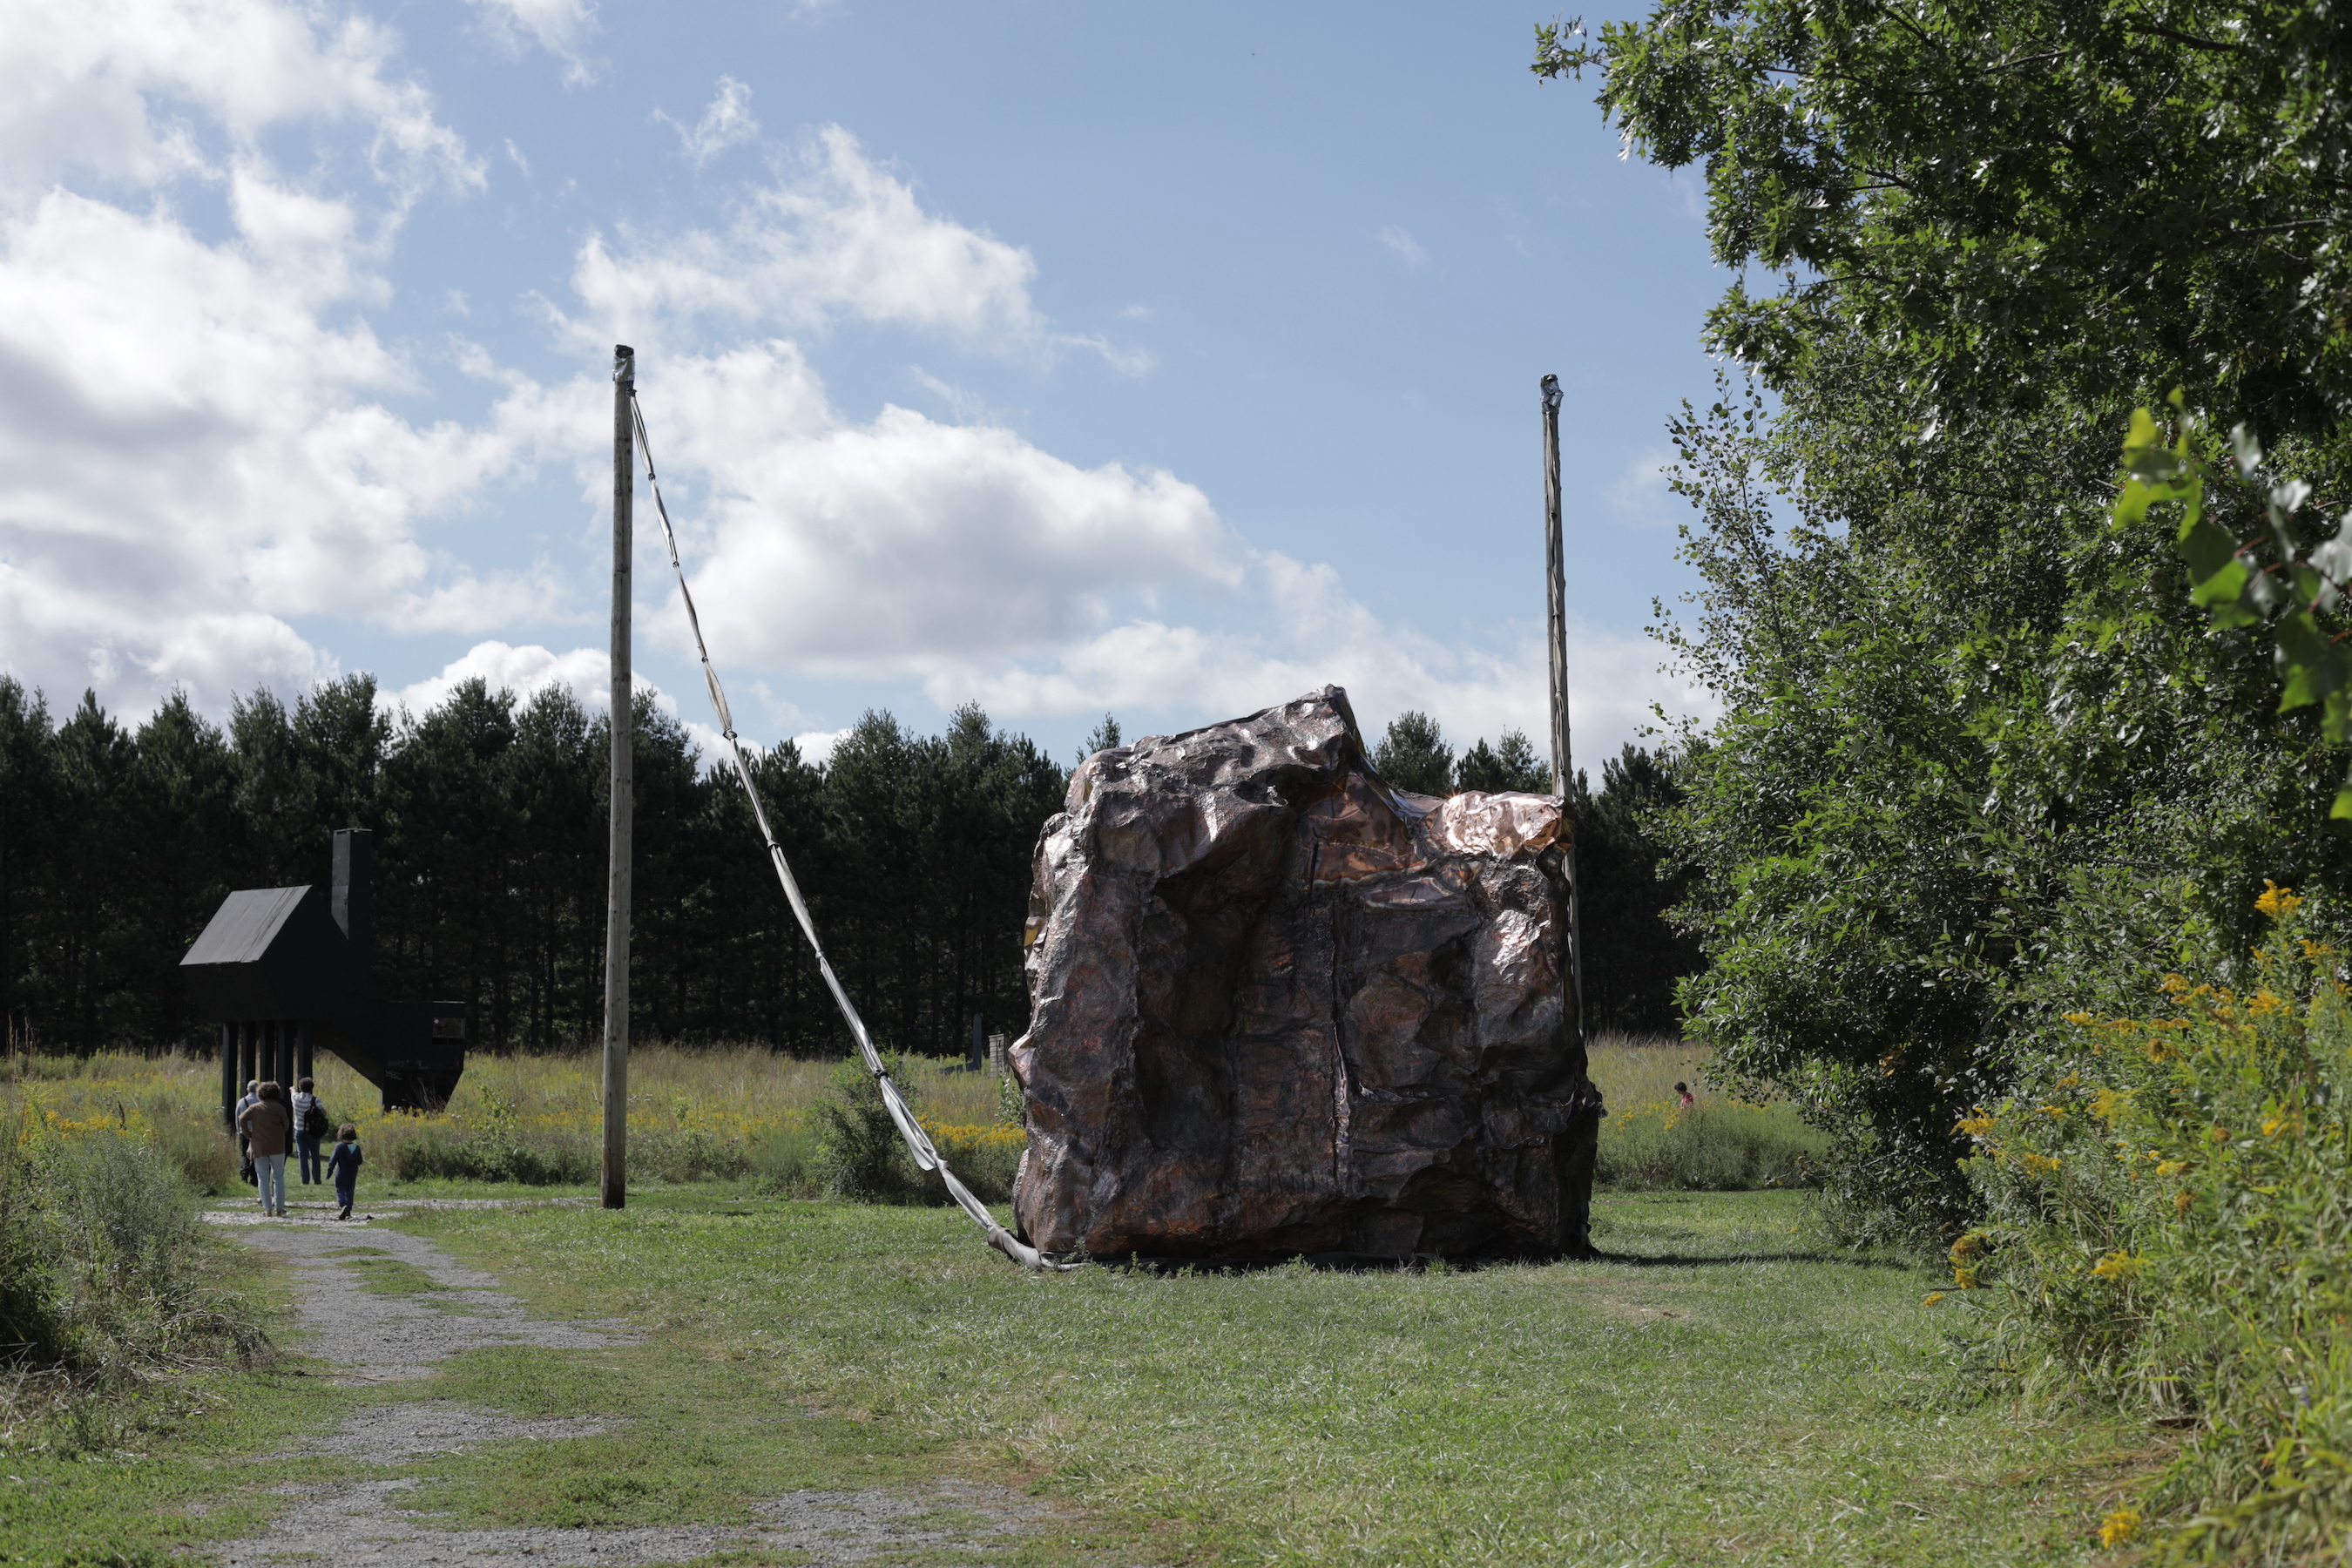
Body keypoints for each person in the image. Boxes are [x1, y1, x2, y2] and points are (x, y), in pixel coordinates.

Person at [239, 1082, 293, 1218]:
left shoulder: (255, 1108)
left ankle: (267, 1210)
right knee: (278, 1177)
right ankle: (279, 1209)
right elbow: (286, 1126)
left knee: (262, 1178)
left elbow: (242, 1118)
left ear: (260, 1094)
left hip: (259, 1147)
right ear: (277, 1094)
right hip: (278, 1146)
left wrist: (248, 1134)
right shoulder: (280, 1108)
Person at [292, 1077, 328, 1186]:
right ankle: (317, 1179)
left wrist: (293, 1089)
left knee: (302, 1155)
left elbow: (293, 1093)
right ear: (312, 1088)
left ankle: (305, 1180)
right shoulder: (315, 1100)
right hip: (313, 1131)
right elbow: (324, 1113)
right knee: (315, 1155)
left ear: (300, 1087)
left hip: (299, 1130)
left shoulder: (296, 1098)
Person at [326, 1124, 363, 1221]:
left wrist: (329, 1173)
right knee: (350, 1191)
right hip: (352, 1173)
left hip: (341, 1172)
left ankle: (343, 1205)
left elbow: (332, 1161)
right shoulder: (357, 1148)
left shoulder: (339, 1147)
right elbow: (360, 1161)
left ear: (341, 1134)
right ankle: (348, 1209)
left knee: (340, 1189)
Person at [234, 1078, 260, 1186]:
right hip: (257, 1133)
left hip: (244, 1132)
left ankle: (244, 1173)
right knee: (256, 1155)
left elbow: (238, 1117)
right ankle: (254, 1178)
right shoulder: (260, 1101)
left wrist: (239, 1130)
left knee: (244, 1154)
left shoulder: (242, 1101)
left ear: (247, 1090)